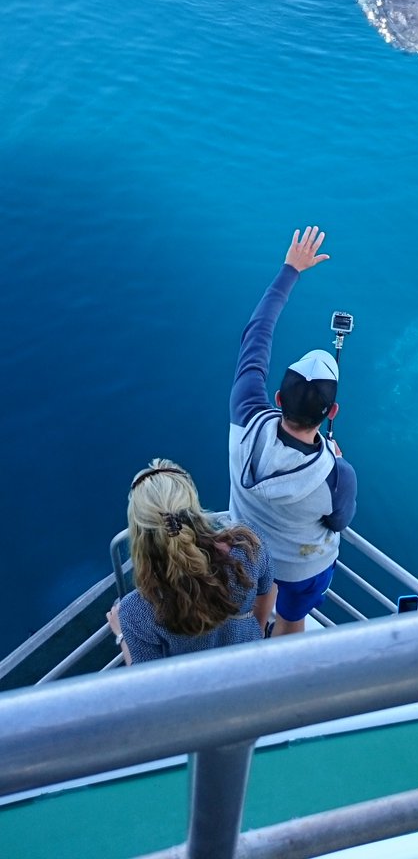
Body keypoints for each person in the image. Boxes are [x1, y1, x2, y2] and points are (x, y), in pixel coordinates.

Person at [229, 225, 357, 637]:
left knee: (257, 599)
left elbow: (257, 335)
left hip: (248, 551)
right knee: (293, 618)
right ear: (332, 411)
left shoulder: (246, 416)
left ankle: (252, 634)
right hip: (303, 565)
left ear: (278, 399)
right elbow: (338, 523)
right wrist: (331, 459)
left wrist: (290, 270)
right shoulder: (337, 475)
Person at [106, 458, 275, 664]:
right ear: (193, 508)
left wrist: (121, 634)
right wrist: (252, 637)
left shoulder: (135, 610)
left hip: (196, 689)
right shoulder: (247, 546)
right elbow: (267, 592)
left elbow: (149, 681)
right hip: (251, 661)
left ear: (139, 532)